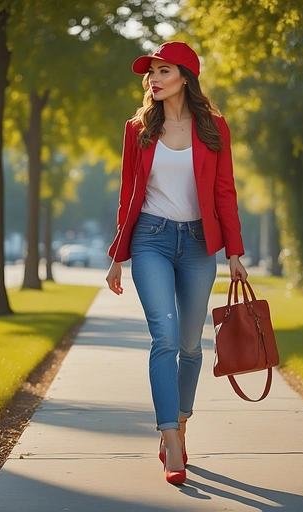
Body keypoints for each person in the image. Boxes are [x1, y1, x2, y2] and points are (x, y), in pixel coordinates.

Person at [106, 41, 247, 485]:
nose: (154, 79)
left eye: (163, 71)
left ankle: (181, 423)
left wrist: (236, 252)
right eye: (151, 72)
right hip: (151, 239)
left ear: (185, 76)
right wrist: (117, 255)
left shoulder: (215, 128)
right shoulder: (138, 128)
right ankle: (169, 441)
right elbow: (129, 195)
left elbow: (225, 191)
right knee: (164, 337)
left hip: (200, 245)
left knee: (190, 347)